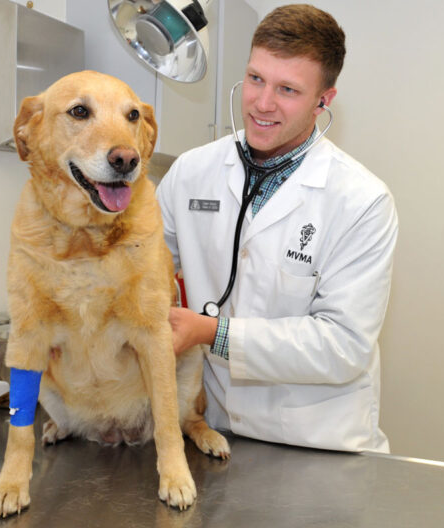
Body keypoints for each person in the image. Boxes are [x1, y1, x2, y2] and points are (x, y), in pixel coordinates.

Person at [155, 4, 398, 453]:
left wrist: (212, 332)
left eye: (287, 89)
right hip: (219, 429)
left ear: (324, 100)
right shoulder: (191, 172)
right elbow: (140, 267)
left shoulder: (362, 201)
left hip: (320, 444)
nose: (262, 103)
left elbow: (343, 346)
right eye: (255, 79)